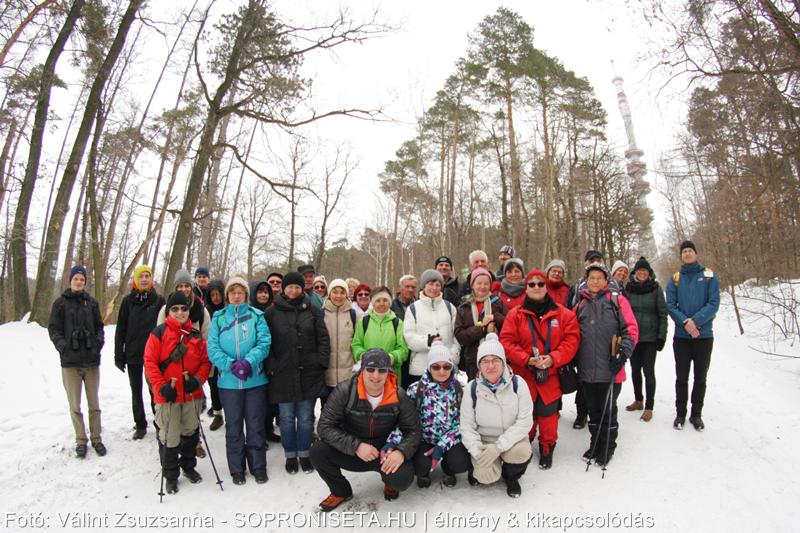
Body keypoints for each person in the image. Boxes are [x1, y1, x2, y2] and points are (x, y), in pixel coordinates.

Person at [310, 349, 421, 512]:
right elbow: (325, 426)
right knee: (318, 452)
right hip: (352, 450)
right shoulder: (345, 391)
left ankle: (389, 482)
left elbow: (413, 430)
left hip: (383, 454)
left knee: (402, 478)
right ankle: (340, 491)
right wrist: (356, 446)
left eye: (382, 370)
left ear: (388, 372)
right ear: (362, 369)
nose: (376, 376)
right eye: (370, 369)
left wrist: (400, 452)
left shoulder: (399, 395)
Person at [500, 269, 580, 469]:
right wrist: (526, 359)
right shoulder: (515, 314)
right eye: (532, 284)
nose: (536, 287)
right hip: (524, 373)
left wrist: (553, 359)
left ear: (546, 287)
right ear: (526, 288)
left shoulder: (564, 314)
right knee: (525, 413)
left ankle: (547, 446)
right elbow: (507, 341)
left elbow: (572, 340)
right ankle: (524, 443)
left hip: (551, 374)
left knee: (548, 413)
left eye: (540, 284)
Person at [143, 292, 211, 494]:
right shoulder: (158, 334)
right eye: (175, 309)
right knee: (169, 437)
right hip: (168, 396)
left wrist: (198, 380)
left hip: (191, 395)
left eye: (183, 308)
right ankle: (171, 475)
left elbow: (205, 362)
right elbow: (150, 363)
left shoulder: (196, 336)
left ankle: (189, 467)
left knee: (190, 433)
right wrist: (161, 387)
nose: (180, 312)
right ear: (168, 312)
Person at [207, 277, 271, 485]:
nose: (236, 295)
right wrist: (230, 365)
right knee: (233, 426)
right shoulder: (218, 318)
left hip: (255, 381)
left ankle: (258, 466)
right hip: (228, 383)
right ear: (227, 296)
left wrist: (248, 362)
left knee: (254, 424)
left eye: (240, 292)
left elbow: (264, 343)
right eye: (232, 292)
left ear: (246, 295)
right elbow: (212, 348)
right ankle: (237, 468)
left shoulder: (256, 316)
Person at [265, 272, 330, 474]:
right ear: (284, 288)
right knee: (285, 418)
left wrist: (320, 362)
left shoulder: (313, 310)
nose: (293, 291)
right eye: (290, 287)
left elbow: (323, 339)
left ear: (303, 289)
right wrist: (272, 366)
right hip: (283, 374)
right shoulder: (271, 312)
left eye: (297, 287)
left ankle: (304, 453)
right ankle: (290, 455)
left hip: (309, 373)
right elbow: (266, 342)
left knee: (305, 417)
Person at [573, 263, 638, 466]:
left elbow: (631, 329)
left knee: (608, 410)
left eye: (599, 278)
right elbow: (573, 335)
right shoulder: (580, 305)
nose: (595, 281)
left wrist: (623, 353)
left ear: (606, 280)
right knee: (593, 410)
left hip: (610, 368)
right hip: (587, 370)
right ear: (586, 280)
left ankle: (608, 446)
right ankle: (595, 443)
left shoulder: (617, 301)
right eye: (591, 278)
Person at [384, 341, 470, 488]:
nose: (441, 371)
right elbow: (406, 422)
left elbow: (464, 423)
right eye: (436, 367)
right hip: (424, 439)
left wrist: (442, 445)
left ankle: (449, 470)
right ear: (429, 367)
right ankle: (424, 473)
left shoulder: (460, 390)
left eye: (446, 366)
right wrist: (392, 441)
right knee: (419, 464)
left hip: (450, 440)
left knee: (461, 461)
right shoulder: (415, 390)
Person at [460, 333, 533, 498]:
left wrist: (499, 447)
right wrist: (478, 452)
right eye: (485, 361)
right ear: (479, 365)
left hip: (512, 439)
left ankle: (511, 477)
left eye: (495, 360)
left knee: (520, 452)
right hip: (484, 442)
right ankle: (485, 468)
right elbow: (467, 426)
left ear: (504, 362)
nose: (490, 366)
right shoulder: (471, 389)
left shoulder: (518, 384)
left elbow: (525, 422)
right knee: (487, 476)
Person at [48, 265, 106, 458]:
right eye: (76, 279)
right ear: (70, 280)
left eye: (82, 279)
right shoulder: (60, 304)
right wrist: (63, 346)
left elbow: (99, 327)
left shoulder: (91, 303)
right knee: (75, 405)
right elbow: (53, 329)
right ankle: (81, 439)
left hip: (91, 361)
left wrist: (97, 344)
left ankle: (97, 438)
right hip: (70, 363)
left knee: (94, 404)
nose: (79, 282)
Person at [666, 240, 720, 432]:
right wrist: (685, 323)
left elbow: (713, 303)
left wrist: (695, 322)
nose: (687, 254)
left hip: (703, 336)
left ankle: (696, 414)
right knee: (681, 377)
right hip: (681, 338)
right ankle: (680, 413)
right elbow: (670, 305)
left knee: (700, 377)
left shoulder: (708, 276)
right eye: (684, 251)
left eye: (690, 250)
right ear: (681, 255)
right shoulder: (675, 279)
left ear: (696, 254)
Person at [114, 264, 165, 440]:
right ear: (136, 279)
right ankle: (140, 424)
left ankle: (159, 423)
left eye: (147, 276)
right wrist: (118, 354)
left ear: (151, 279)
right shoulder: (128, 302)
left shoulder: (159, 300)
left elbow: (166, 327)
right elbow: (120, 328)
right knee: (136, 390)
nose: (144, 279)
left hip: (154, 354)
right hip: (133, 352)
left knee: (155, 390)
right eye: (141, 276)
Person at [624, 257, 668, 422]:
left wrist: (661, 336)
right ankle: (638, 400)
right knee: (635, 370)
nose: (642, 273)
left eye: (645, 271)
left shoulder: (656, 289)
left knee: (648, 372)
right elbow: (622, 313)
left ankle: (649, 407)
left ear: (649, 273)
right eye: (639, 271)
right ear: (635, 273)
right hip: (633, 338)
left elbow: (663, 314)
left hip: (650, 338)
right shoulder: (628, 289)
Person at [566, 250, 605, 430]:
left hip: (604, 343)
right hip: (582, 340)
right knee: (583, 380)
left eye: (597, 261)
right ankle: (582, 414)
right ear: (585, 264)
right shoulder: (577, 286)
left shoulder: (611, 287)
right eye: (590, 261)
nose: (593, 263)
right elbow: (569, 310)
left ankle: (601, 418)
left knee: (601, 382)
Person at [403, 269, 460, 383]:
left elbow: (457, 336)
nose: (434, 288)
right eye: (430, 284)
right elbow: (409, 337)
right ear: (424, 285)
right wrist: (428, 341)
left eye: (437, 284)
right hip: (421, 368)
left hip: (446, 368)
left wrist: (453, 356)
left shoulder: (450, 307)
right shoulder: (413, 309)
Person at [454, 267, 507, 380]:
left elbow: (508, 324)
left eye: (486, 283)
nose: (482, 287)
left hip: (496, 357)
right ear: (472, 285)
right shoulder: (464, 307)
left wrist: (495, 317)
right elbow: (460, 336)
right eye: (479, 283)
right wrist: (482, 329)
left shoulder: (497, 302)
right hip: (473, 358)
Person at [351, 286, 409, 385]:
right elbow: (356, 344)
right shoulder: (364, 321)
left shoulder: (397, 322)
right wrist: (362, 355)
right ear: (373, 303)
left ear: (390, 303)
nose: (382, 303)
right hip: (368, 373)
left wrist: (392, 357)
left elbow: (403, 349)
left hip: (390, 374)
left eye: (385, 300)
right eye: (378, 300)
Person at [323, 279, 357, 391]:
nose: (339, 296)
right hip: (327, 375)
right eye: (335, 292)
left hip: (347, 376)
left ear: (347, 295)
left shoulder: (352, 314)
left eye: (342, 292)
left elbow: (356, 342)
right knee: (327, 408)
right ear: (329, 294)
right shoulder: (322, 313)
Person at [204, 279, 226, 431]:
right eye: (212, 295)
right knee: (213, 384)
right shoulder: (207, 311)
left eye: (218, 294)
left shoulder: (230, 309)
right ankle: (218, 413)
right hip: (212, 353)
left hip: (228, 352)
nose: (216, 298)